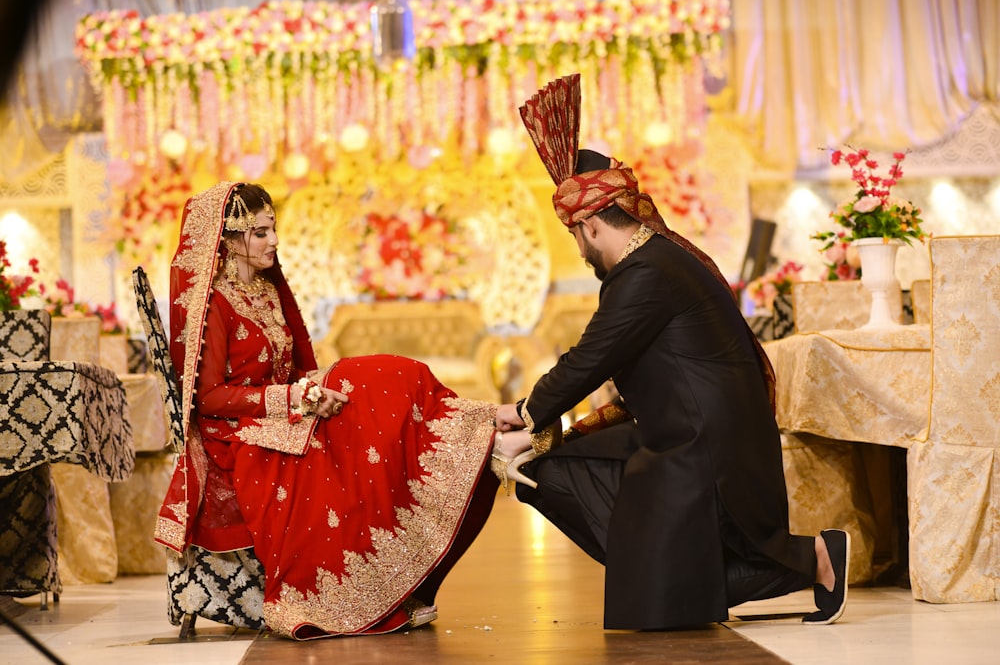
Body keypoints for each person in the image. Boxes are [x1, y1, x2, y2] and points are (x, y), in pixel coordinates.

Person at [492, 74, 850, 630]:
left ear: (588, 223)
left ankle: (817, 558)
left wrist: (522, 413)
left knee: (653, 583)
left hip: (703, 443)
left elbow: (592, 358)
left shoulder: (646, 273)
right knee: (569, 489)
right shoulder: (650, 262)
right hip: (683, 433)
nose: (580, 248)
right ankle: (816, 558)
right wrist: (539, 424)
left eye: (575, 236)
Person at [152, 181, 530, 639]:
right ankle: (492, 438)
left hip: (287, 410)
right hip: (240, 433)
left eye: (273, 230)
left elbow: (296, 369)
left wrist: (312, 391)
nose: (273, 241)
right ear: (227, 239)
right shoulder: (214, 306)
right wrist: (294, 399)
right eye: (259, 233)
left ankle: (488, 424)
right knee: (367, 394)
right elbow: (207, 398)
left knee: (394, 376)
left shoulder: (268, 292)